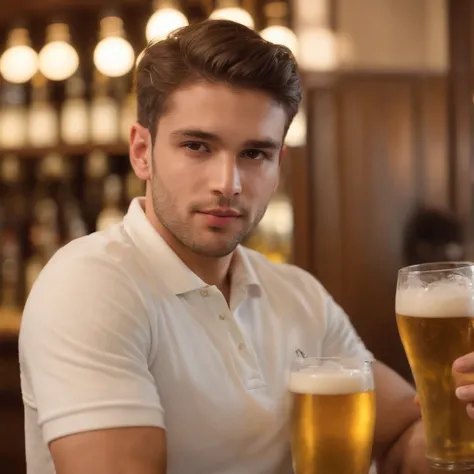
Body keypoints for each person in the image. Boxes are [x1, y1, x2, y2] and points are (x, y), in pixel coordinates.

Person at [18, 19, 472, 474]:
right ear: (141, 151)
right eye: (197, 146)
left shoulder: (297, 294)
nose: (228, 184)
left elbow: (401, 438)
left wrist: (462, 430)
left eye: (255, 153)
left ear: (279, 164)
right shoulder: (89, 285)